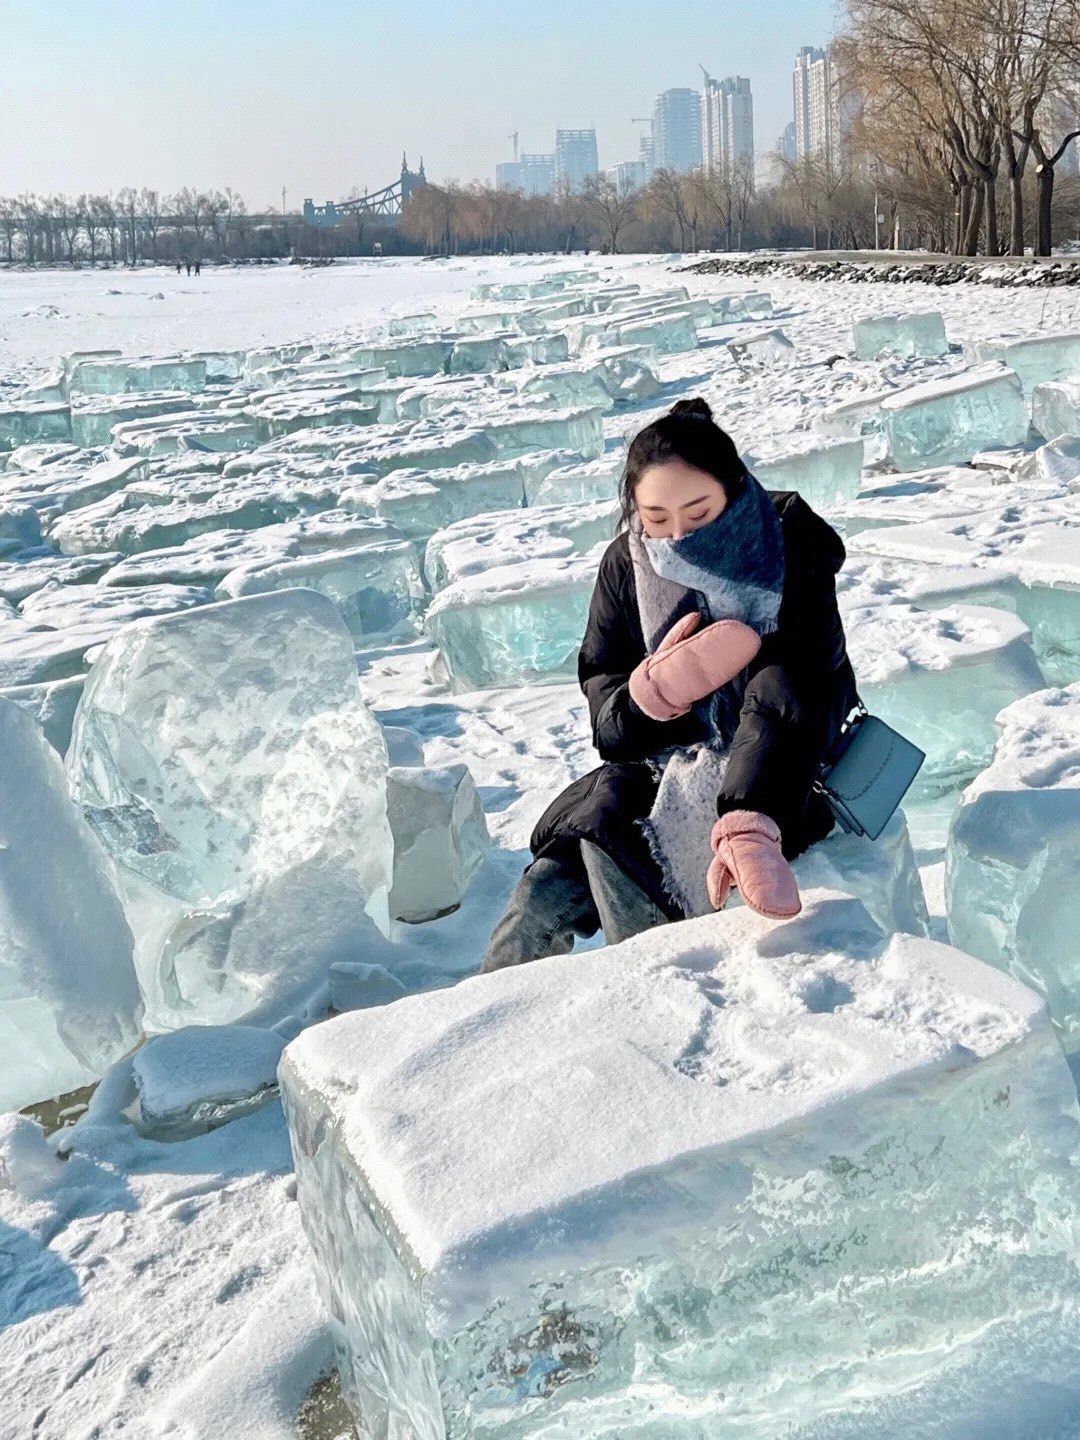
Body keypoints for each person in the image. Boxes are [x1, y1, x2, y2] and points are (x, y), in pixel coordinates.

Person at [481, 397, 857, 973]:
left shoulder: (784, 545)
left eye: (698, 514)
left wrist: (750, 817)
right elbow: (605, 706)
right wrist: (649, 698)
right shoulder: (624, 563)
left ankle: (651, 1023)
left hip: (782, 766)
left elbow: (795, 687)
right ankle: (484, 1037)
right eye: (656, 519)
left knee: (619, 865)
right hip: (659, 763)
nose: (676, 536)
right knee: (540, 898)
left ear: (733, 489)